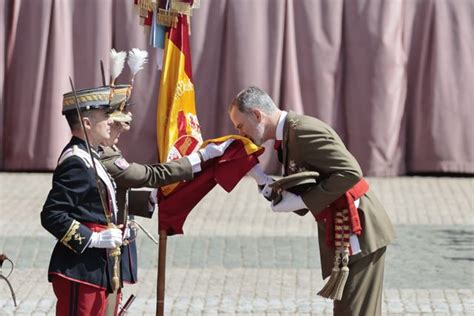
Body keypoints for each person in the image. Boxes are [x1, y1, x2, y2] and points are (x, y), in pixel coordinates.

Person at [228, 86, 396, 316]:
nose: (242, 133)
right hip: (345, 227)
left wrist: (304, 202)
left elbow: (350, 172)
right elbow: (308, 184)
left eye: (241, 126)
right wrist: (262, 181)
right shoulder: (289, 134)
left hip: (358, 227)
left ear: (257, 115)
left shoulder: (301, 131)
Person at [98, 107, 231, 292]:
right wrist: (201, 156)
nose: (122, 128)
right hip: (97, 253)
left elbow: (106, 195)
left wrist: (151, 197)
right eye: (114, 123)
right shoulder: (101, 154)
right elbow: (148, 175)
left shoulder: (106, 148)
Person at [41, 85, 129, 315]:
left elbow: (95, 206)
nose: (111, 122)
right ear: (87, 123)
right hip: (80, 270)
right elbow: (52, 214)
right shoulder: (76, 162)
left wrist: (120, 230)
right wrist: (93, 238)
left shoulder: (91, 155)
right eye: (105, 116)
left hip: (97, 268)